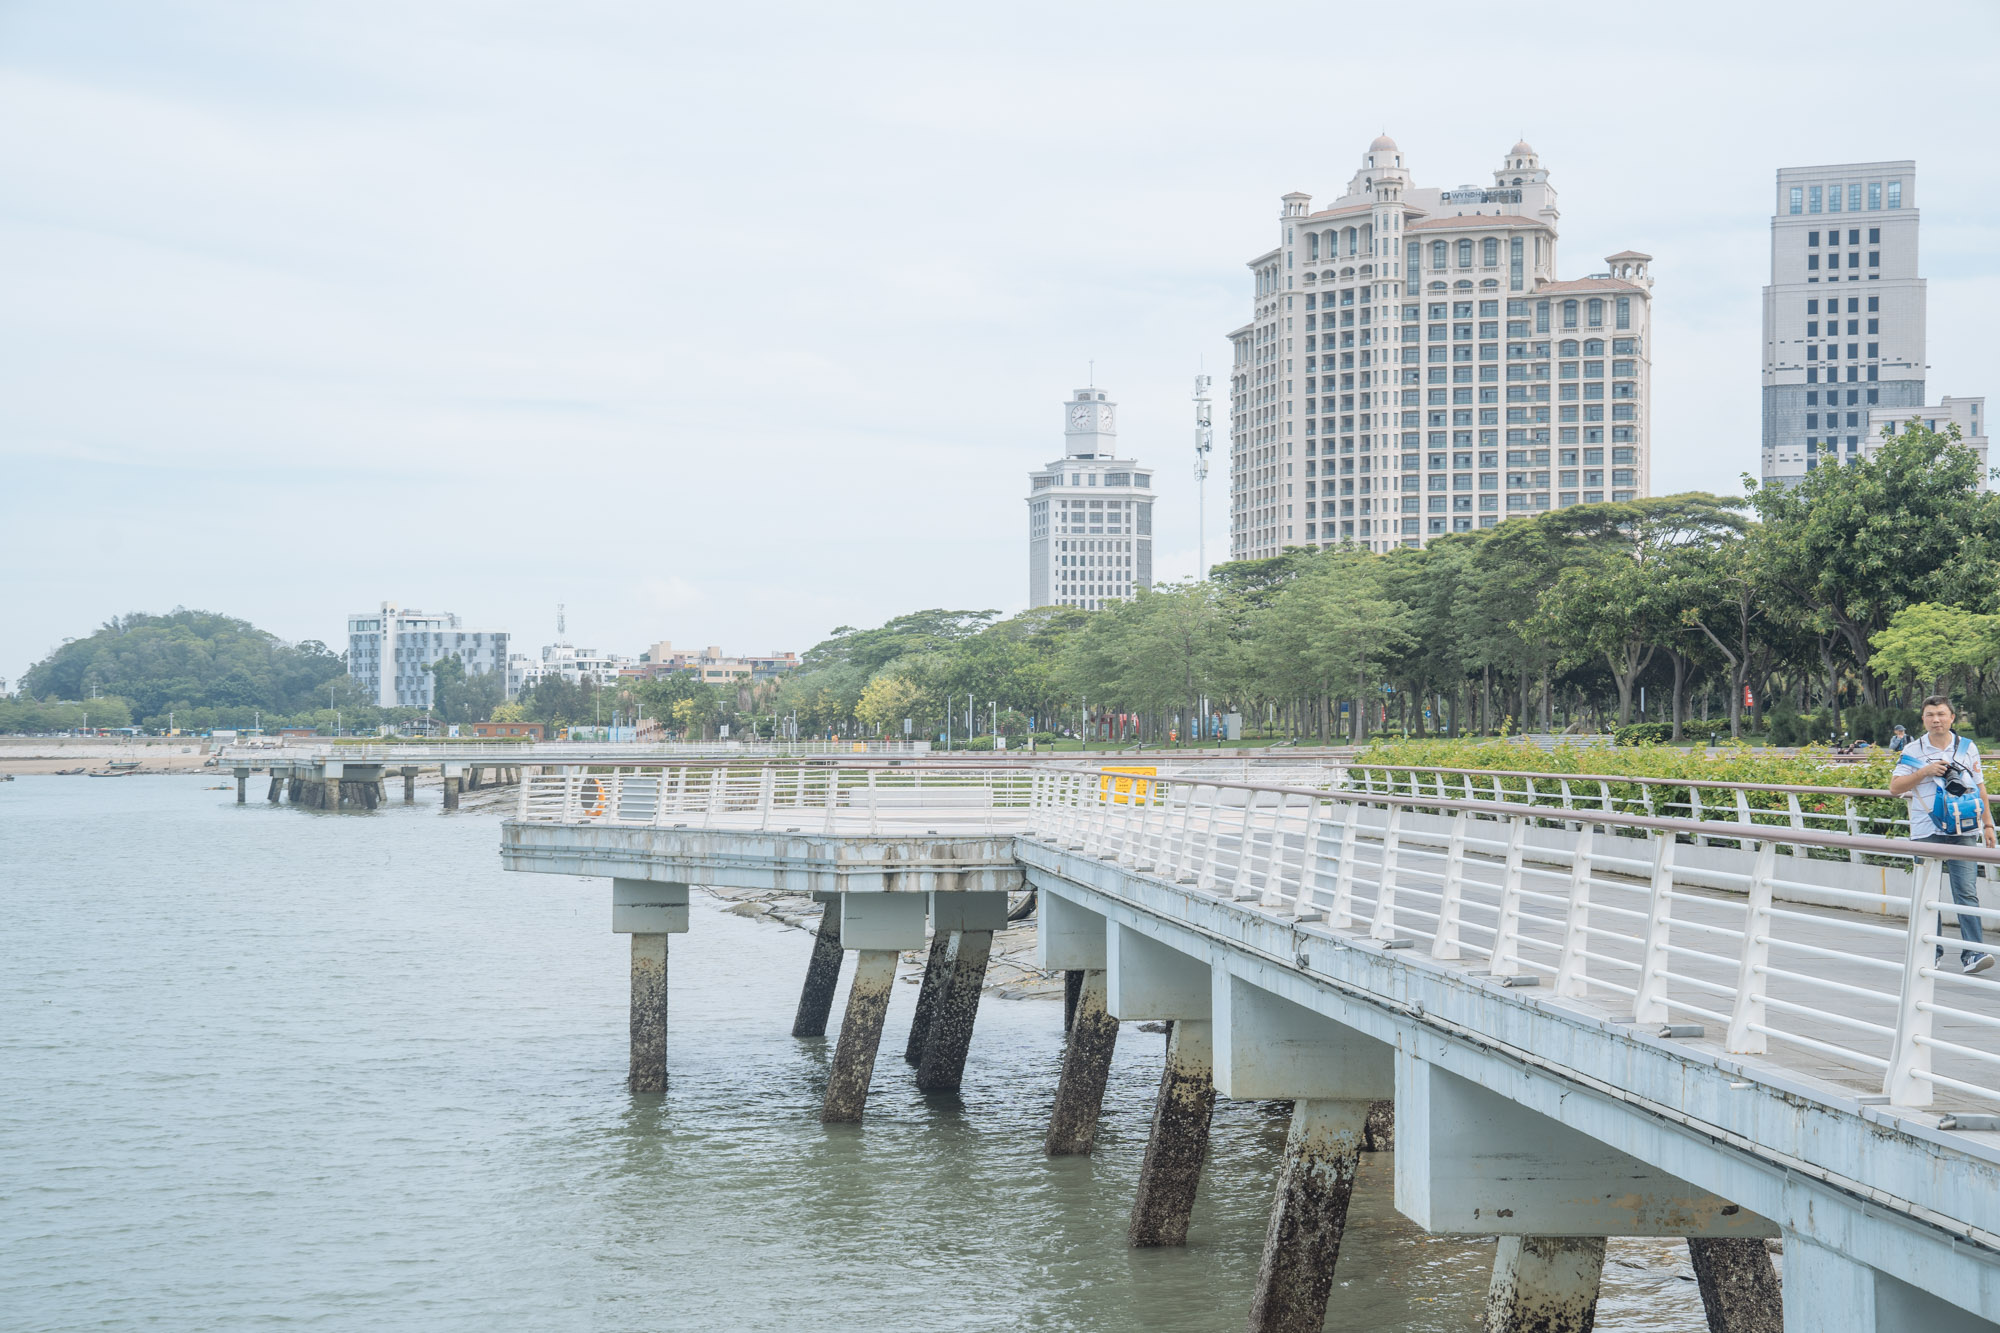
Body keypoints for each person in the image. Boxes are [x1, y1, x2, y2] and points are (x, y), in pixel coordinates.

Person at [1889, 696, 1997, 975]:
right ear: (1923, 719)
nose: (1936, 719)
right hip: (1927, 830)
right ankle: (1930, 952)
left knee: (1967, 892)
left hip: (1965, 829)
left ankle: (1973, 953)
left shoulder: (1967, 747)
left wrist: (1987, 825)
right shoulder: (1913, 749)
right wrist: (1924, 771)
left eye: (1941, 714)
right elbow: (1895, 787)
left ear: (1951, 717)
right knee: (1927, 894)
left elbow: (1980, 787)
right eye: (1929, 715)